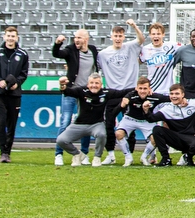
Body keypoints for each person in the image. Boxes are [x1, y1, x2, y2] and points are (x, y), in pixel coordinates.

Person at [96, 19, 145, 165]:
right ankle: (110, 154)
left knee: (129, 125)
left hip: (129, 91)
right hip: (112, 92)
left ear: (124, 37)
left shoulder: (130, 47)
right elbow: (95, 69)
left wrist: (134, 26)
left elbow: (141, 39)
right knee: (109, 124)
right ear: (111, 37)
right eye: (115, 36)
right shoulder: (103, 54)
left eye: (120, 36)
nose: (118, 38)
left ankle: (128, 155)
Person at [52, 29, 98, 166]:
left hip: (86, 93)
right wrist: (57, 44)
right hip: (72, 90)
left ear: (86, 39)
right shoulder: (70, 50)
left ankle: (84, 154)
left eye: (79, 37)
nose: (76, 40)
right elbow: (57, 53)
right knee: (65, 121)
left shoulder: (93, 50)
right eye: (75, 37)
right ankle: (58, 154)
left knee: (85, 123)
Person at [56, 72, 121, 167]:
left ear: (101, 85)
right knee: (61, 140)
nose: (94, 85)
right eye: (92, 83)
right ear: (88, 84)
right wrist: (62, 85)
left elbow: (123, 92)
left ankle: (97, 157)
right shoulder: (81, 91)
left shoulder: (106, 93)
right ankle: (77, 154)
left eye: (97, 83)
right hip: (79, 124)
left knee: (102, 134)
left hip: (96, 124)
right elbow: (67, 91)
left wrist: (137, 90)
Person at [0, 25, 29, 163]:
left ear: (17, 38)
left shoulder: (23, 54)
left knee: (12, 124)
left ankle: (7, 152)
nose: (10, 39)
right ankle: (2, 152)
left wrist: (17, 83)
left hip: (14, 93)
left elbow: (24, 73)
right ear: (4, 37)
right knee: (1, 122)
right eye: (8, 36)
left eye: (13, 36)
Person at [142, 83, 195, 167]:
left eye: (177, 94)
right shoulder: (167, 109)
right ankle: (165, 159)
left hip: (191, 139)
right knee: (157, 129)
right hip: (176, 139)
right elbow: (151, 119)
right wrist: (146, 110)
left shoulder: (193, 103)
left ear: (183, 95)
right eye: (172, 94)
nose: (174, 96)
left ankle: (188, 156)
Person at [115, 76, 168, 166]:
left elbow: (169, 98)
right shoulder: (131, 95)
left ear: (149, 89)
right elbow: (121, 105)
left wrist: (183, 99)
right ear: (136, 88)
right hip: (130, 119)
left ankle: (144, 157)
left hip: (146, 121)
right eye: (140, 88)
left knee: (155, 138)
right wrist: (122, 104)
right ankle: (128, 157)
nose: (142, 91)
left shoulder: (154, 97)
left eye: (145, 88)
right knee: (119, 134)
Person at [140, 22, 180, 95]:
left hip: (168, 90)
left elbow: (187, 48)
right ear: (150, 35)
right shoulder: (145, 49)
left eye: (158, 34)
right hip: (152, 89)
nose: (156, 36)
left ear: (163, 34)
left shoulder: (172, 46)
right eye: (153, 34)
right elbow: (137, 62)